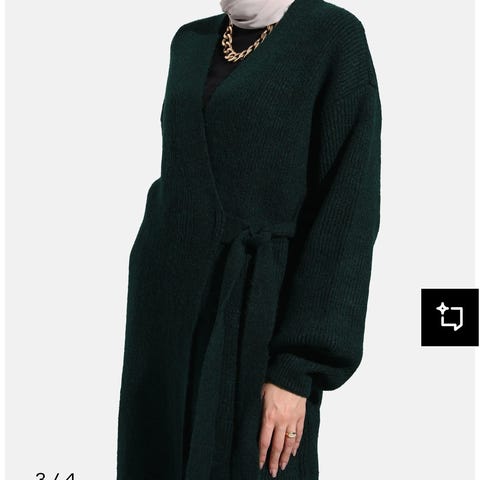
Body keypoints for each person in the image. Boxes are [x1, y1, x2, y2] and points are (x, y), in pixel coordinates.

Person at [116, 0, 382, 479]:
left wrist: (297, 369)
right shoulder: (190, 41)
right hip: (165, 326)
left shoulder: (332, 37)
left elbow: (346, 213)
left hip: (257, 325)